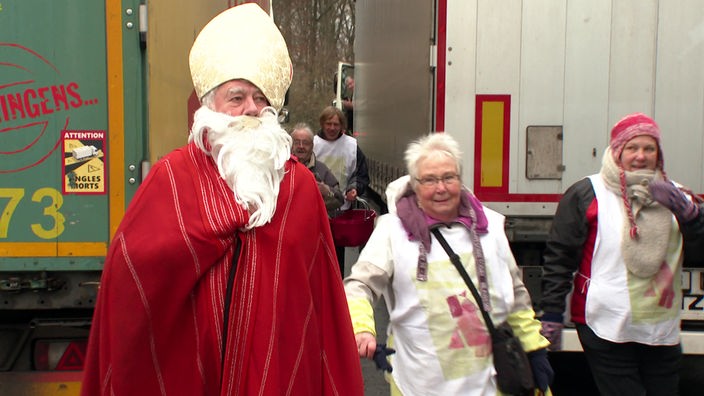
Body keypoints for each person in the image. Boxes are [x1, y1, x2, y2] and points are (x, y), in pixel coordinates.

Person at [80, 4, 365, 395]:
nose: (250, 108)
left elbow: (322, 302)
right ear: (209, 106)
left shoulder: (298, 189)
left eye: (260, 98)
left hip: (277, 376)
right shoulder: (172, 178)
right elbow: (129, 282)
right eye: (237, 97)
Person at [344, 133, 553, 395]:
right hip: (420, 382)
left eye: (448, 177)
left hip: (489, 382)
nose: (441, 188)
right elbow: (359, 285)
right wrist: (362, 328)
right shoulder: (392, 232)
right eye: (429, 180)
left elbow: (514, 292)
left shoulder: (490, 226)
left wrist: (534, 348)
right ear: (415, 185)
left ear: (460, 180)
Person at [539, 113, 704, 396]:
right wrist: (553, 311)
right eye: (632, 148)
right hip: (604, 324)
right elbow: (560, 257)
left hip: (660, 328)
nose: (641, 156)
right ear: (617, 152)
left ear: (658, 154)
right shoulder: (587, 193)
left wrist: (691, 218)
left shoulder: (677, 197)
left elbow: (699, 255)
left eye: (649, 149)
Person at [314, 106, 370, 273]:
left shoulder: (351, 146)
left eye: (336, 124)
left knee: (336, 256)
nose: (332, 128)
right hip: (316, 208)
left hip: (341, 210)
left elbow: (361, 174)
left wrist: (354, 189)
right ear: (322, 124)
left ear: (342, 126)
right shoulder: (313, 143)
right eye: (329, 124)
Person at [290, 122, 344, 215]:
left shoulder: (321, 169)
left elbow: (340, 200)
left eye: (305, 143)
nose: (301, 146)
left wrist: (327, 192)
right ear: (291, 144)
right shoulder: (281, 168)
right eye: (297, 142)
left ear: (312, 145)